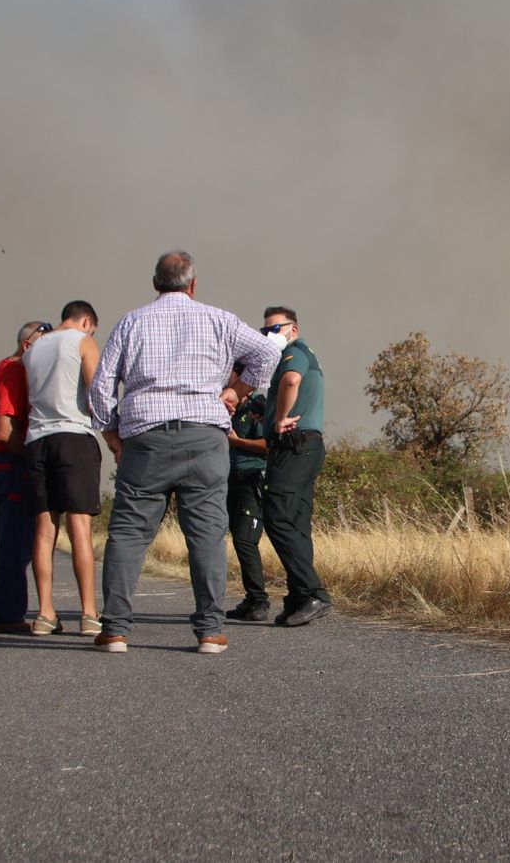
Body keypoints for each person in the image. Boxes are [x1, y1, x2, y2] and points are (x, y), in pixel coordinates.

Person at [88, 250, 283, 655]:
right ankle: (210, 631)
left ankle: (116, 630)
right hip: (205, 437)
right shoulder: (219, 319)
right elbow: (268, 353)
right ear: (193, 285)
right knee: (207, 535)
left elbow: (101, 386)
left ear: (155, 283)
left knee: (127, 533)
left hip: (145, 439)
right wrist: (236, 391)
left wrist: (112, 435)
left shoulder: (131, 321)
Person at [23, 301, 106, 637]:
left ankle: (45, 613)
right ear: (86, 321)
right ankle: (89, 614)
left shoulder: (32, 348)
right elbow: (97, 390)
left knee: (44, 531)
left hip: (37, 440)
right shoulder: (82, 341)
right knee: (80, 527)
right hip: (73, 437)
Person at [0, 320, 49, 634]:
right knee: (15, 544)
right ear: (28, 345)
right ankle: (6, 615)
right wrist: (34, 455)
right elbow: (4, 430)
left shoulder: (0, 368)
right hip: (8, 465)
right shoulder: (14, 371)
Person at [260, 306, 332, 627]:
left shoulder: (295, 352)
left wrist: (278, 419)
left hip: (294, 445)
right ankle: (300, 597)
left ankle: (313, 592)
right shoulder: (299, 353)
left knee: (276, 517)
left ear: (294, 329)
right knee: (297, 522)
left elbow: (291, 381)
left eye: (276, 329)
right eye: (265, 331)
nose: (270, 335)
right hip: (308, 445)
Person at [223, 380, 271, 621]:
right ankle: (252, 598)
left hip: (252, 480)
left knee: (245, 540)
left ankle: (260, 600)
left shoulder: (258, 407)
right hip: (231, 481)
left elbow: (267, 445)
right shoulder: (227, 410)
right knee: (237, 538)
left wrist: (236, 442)